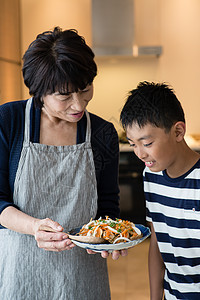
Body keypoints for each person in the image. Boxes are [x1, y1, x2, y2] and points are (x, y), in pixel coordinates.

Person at [0, 27, 126, 300]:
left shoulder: (103, 133)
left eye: (85, 90)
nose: (78, 104)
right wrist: (34, 227)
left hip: (84, 274)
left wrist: (112, 236)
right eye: (64, 96)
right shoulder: (9, 121)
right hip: (21, 273)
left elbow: (107, 207)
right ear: (39, 91)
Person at [120, 81, 200, 299]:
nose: (140, 153)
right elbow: (157, 240)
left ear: (178, 131)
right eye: (132, 143)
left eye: (146, 143)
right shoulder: (151, 176)